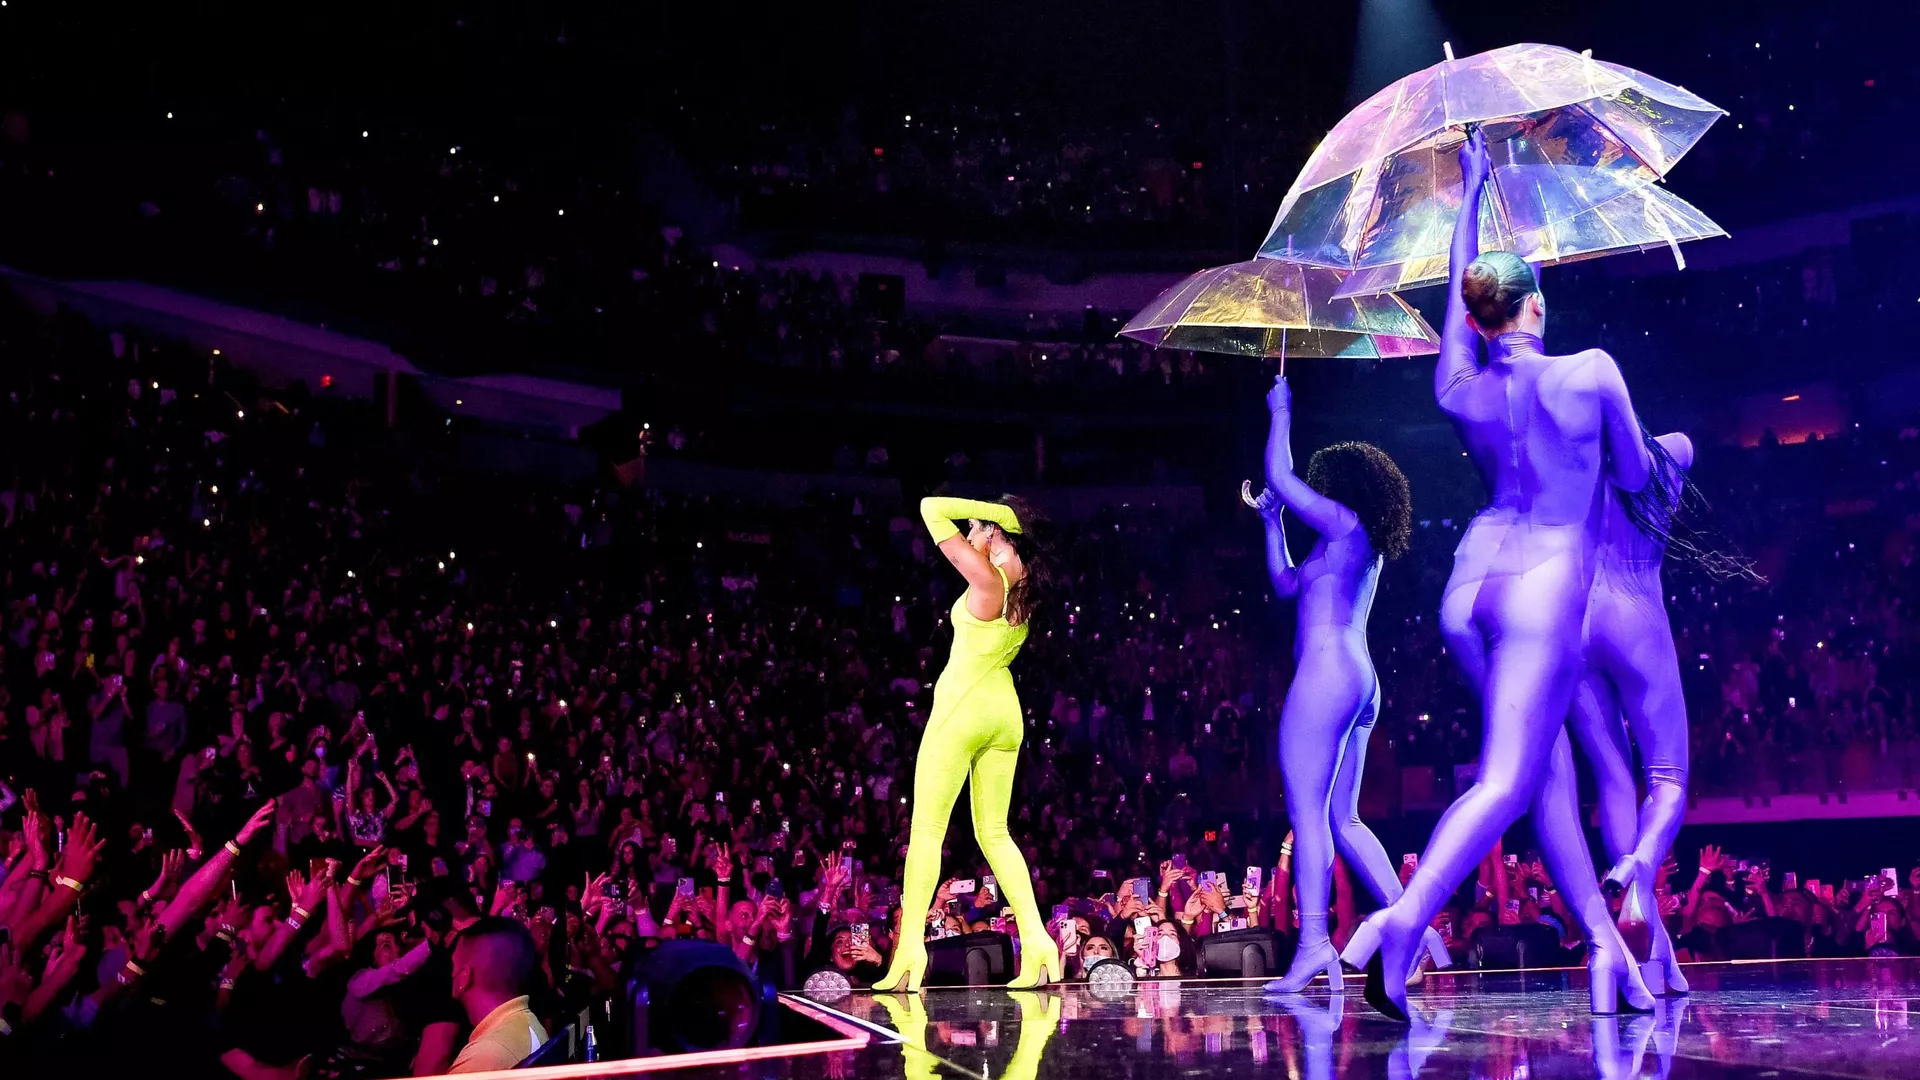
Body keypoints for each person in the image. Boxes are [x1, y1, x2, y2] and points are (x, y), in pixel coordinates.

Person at [1342, 127, 1655, 1020]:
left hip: (1470, 584)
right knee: (1508, 781)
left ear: (1477, 320)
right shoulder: (1591, 372)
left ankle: (1605, 950)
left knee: (1542, 774)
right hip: (1543, 588)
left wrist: (1473, 190)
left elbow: (1458, 294)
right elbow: (1637, 478)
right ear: (1538, 304)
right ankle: (1402, 926)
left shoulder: (1459, 388)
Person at [1243, 377, 1447, 992]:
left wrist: (1281, 407)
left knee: (1308, 817)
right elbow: (1285, 584)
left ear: (1342, 486)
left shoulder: (1345, 524)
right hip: (1358, 679)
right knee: (1344, 819)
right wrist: (1272, 523)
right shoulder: (1344, 543)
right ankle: (1416, 927)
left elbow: (1279, 473)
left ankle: (1313, 945)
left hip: (1326, 676)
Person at [872, 494, 1061, 991]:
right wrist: (999, 523)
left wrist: (994, 513)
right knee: (994, 833)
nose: (970, 532)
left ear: (997, 530)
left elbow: (929, 507)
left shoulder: (988, 580)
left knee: (927, 831)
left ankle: (909, 951)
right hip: (1005, 711)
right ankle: (1038, 942)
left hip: (963, 707)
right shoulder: (1024, 581)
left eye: (977, 526)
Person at [1570, 429, 1698, 996]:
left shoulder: (1571, 471)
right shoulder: (1670, 454)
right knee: (1668, 779)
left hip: (1578, 622)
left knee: (1613, 778)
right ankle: (1640, 866)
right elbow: (1679, 447)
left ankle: (1656, 953)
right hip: (1636, 609)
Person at [447, 916, 548, 1073]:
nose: (451, 974)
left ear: (464, 978)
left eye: (453, 966)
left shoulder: (482, 1058)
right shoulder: (528, 1023)